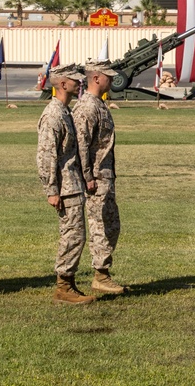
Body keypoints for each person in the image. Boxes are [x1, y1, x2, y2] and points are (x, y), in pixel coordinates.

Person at [37, 63, 95, 304]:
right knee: (72, 235)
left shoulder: (64, 111)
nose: (79, 82)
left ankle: (68, 283)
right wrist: (51, 189)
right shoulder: (53, 114)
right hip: (64, 186)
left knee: (76, 235)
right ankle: (63, 287)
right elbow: (46, 154)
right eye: (74, 80)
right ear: (62, 84)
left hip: (72, 184)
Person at [72, 59, 126, 294]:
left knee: (111, 224)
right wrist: (88, 177)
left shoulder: (99, 104)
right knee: (101, 225)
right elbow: (81, 145)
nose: (112, 80)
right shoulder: (87, 107)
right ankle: (100, 275)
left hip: (104, 175)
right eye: (108, 76)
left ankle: (102, 272)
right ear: (96, 78)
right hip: (95, 177)